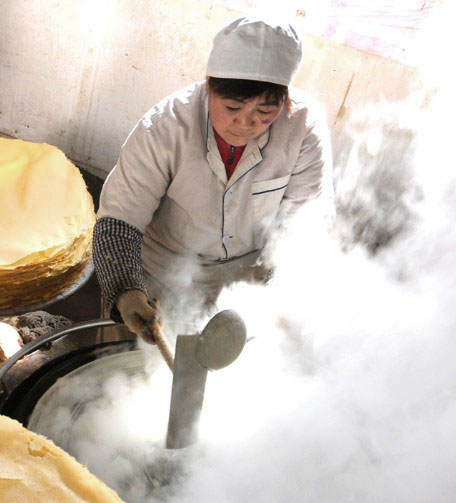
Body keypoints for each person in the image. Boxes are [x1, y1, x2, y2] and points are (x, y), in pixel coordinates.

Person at [93, 17, 332, 343]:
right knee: (120, 369)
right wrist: (126, 288)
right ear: (209, 87)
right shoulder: (166, 127)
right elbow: (119, 221)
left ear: (285, 99)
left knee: (225, 382)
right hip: (157, 274)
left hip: (242, 284)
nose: (245, 123)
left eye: (265, 112)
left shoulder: (303, 129)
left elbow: (303, 225)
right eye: (232, 107)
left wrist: (279, 291)